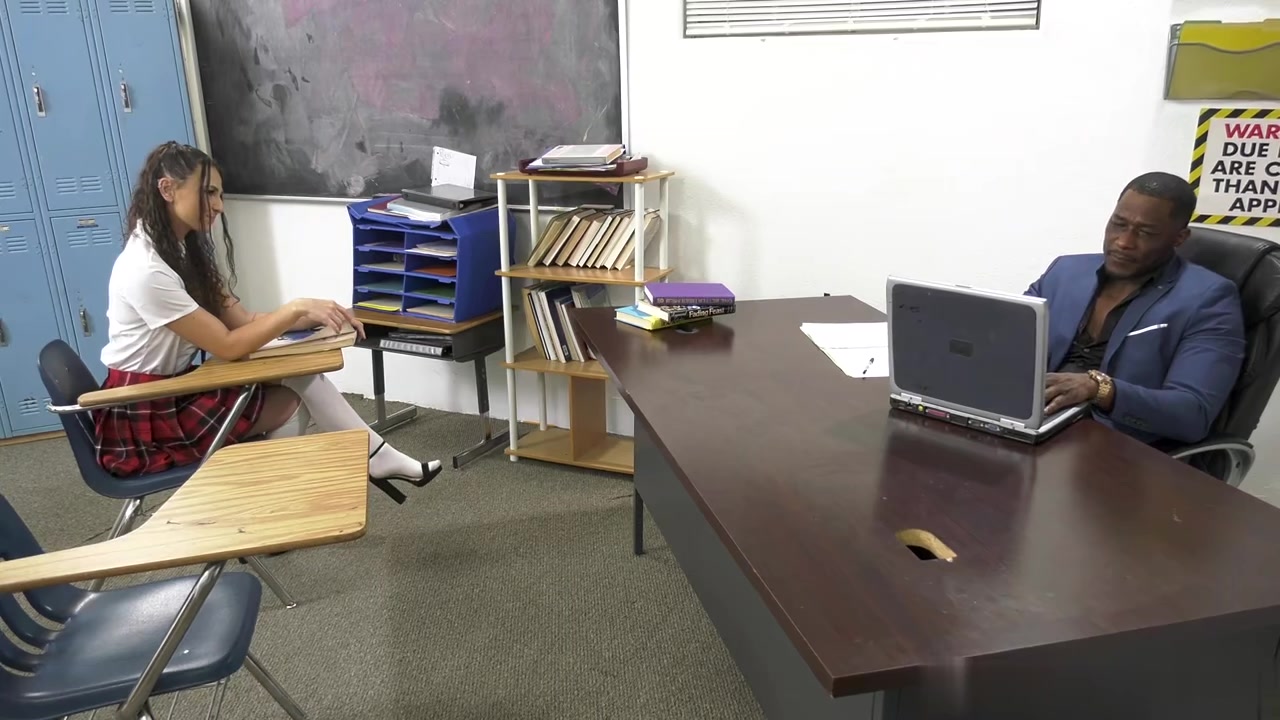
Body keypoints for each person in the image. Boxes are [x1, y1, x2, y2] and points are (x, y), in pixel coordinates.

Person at [93, 141, 440, 501]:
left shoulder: (180, 252)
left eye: (220, 194)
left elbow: (243, 320)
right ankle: (276, 497)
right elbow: (228, 345)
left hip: (176, 390)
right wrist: (294, 308)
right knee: (291, 398)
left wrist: (316, 315)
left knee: (300, 381)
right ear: (167, 189)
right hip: (144, 410)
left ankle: (292, 491)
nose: (219, 206)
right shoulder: (147, 269)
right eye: (209, 192)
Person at [1025, 171, 1246, 448]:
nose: (1124, 242)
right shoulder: (1064, 272)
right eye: (1118, 224)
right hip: (1038, 423)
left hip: (1116, 445)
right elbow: (1005, 343)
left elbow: (1193, 413)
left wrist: (1099, 389)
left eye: (1145, 233)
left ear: (1179, 238)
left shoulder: (1209, 299)